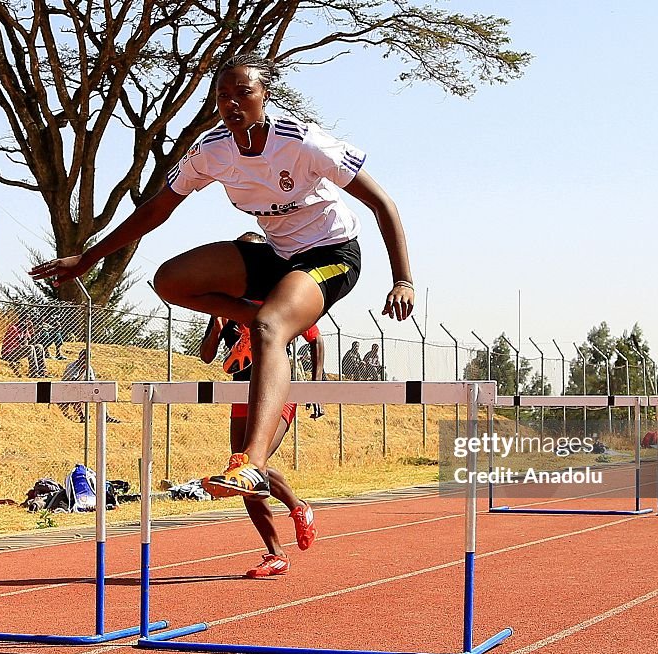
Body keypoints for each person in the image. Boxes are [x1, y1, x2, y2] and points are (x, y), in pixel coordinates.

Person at [30, 53, 414, 498]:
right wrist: (87, 258)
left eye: (243, 93)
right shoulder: (213, 150)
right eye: (222, 96)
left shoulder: (303, 142)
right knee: (170, 280)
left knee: (273, 325)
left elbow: (383, 203)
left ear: (265, 95)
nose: (231, 103)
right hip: (276, 255)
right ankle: (255, 320)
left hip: (332, 254)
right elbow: (157, 207)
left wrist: (402, 279)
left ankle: (250, 461)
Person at [198, 241, 323, 577]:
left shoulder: (281, 299)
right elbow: (207, 355)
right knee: (241, 473)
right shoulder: (227, 304)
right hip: (243, 393)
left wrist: (315, 383)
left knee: (253, 465)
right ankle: (275, 553)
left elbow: (316, 338)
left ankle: (297, 507)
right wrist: (217, 319)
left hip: (279, 393)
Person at [58, 349, 121, 423]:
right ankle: (82, 417)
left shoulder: (89, 368)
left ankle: (105, 416)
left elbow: (92, 382)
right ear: (79, 358)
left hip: (83, 389)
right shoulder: (71, 366)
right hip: (67, 389)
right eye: (83, 358)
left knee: (101, 392)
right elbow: (71, 382)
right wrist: (82, 371)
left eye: (86, 359)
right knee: (76, 393)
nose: (84, 361)